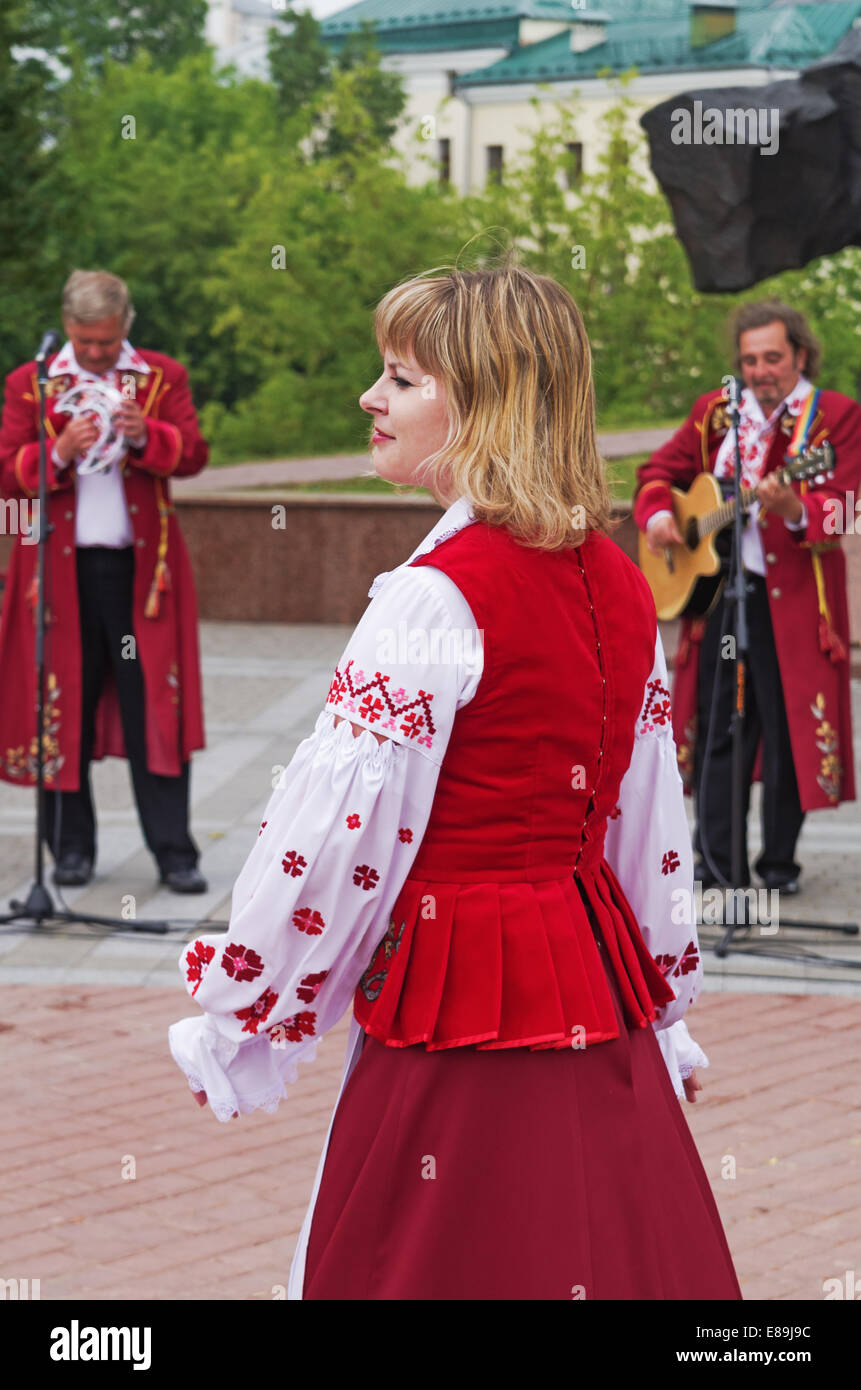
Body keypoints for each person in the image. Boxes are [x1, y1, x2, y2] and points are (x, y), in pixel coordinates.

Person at [169, 262, 741, 1300]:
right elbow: (650, 820)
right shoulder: (613, 572)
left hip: (460, 992)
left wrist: (241, 1007)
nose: (370, 399)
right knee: (593, 1249)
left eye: (401, 378)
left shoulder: (434, 598)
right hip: (590, 982)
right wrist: (662, 1003)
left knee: (437, 1257)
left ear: (483, 402)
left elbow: (336, 841)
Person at [635, 301, 861, 893]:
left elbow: (847, 506)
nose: (761, 370)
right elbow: (660, 472)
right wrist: (661, 516)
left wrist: (795, 508)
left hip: (796, 607)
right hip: (722, 601)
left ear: (801, 355)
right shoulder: (715, 414)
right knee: (720, 729)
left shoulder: (833, 417)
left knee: (789, 733)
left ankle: (778, 865)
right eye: (749, 359)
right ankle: (717, 865)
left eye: (773, 357)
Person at [0, 269, 209, 892]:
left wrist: (151, 436)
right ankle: (69, 851)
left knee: (155, 709)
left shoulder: (160, 376)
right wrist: (59, 449)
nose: (96, 354)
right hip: (56, 580)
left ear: (127, 327)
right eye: (86, 342)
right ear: (67, 326)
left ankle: (175, 853)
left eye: (108, 342)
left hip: (142, 577)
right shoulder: (31, 384)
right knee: (62, 707)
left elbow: (194, 454)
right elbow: (7, 477)